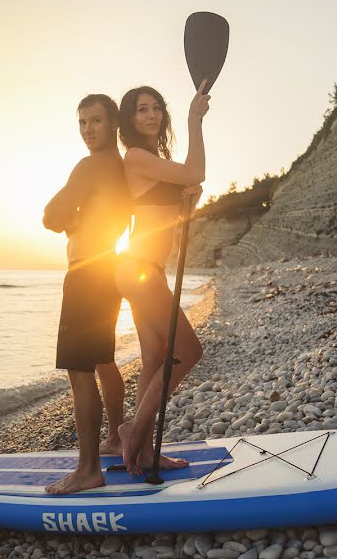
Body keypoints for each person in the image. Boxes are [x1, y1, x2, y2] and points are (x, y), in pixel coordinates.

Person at [114, 80, 210, 475]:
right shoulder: (135, 156)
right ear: (130, 120)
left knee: (155, 359)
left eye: (155, 107)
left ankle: (147, 451)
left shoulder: (154, 160)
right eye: (141, 109)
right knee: (188, 351)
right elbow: (197, 169)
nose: (151, 114)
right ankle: (133, 431)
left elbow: (186, 191)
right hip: (136, 269)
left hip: (146, 269)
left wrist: (190, 196)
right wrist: (195, 120)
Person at [42, 94, 131, 494]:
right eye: (82, 123)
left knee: (80, 375)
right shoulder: (124, 165)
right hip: (109, 267)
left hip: (84, 275)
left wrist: (71, 223)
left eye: (95, 121)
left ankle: (89, 468)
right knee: (103, 360)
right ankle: (115, 436)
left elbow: (50, 215)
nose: (87, 130)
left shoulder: (90, 166)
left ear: (113, 122)